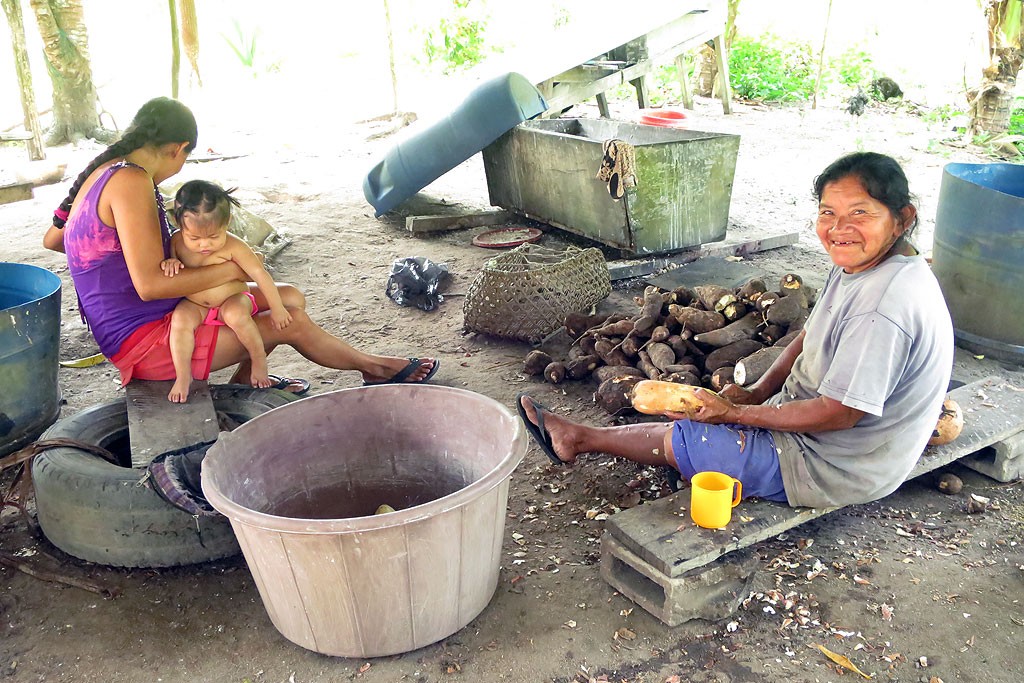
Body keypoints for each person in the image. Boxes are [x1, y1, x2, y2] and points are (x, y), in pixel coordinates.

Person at [518, 152, 954, 509]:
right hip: (814, 425)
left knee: (699, 436)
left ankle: (578, 438)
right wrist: (756, 392)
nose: (839, 229)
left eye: (860, 213)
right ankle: (583, 436)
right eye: (828, 212)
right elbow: (807, 335)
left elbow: (841, 413)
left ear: (902, 218)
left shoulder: (883, 306)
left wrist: (735, 414)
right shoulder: (866, 261)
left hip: (838, 464)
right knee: (701, 418)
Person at [43, 96, 439, 392]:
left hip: (145, 320)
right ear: (178, 149)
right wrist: (232, 268)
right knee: (292, 321)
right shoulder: (130, 182)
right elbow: (148, 286)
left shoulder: (100, 173)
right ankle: (376, 368)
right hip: (147, 339)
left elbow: (58, 239)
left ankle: (246, 383)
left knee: (289, 297)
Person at [161, 180, 291, 403]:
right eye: (194, 238)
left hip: (233, 299)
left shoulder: (234, 246)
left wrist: (278, 308)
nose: (204, 245)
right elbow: (173, 263)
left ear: (227, 223)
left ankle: (258, 360)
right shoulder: (176, 241)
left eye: (213, 237)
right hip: (197, 304)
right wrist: (170, 262)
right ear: (178, 223)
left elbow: (260, 275)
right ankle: (183, 376)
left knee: (235, 315)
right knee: (180, 320)